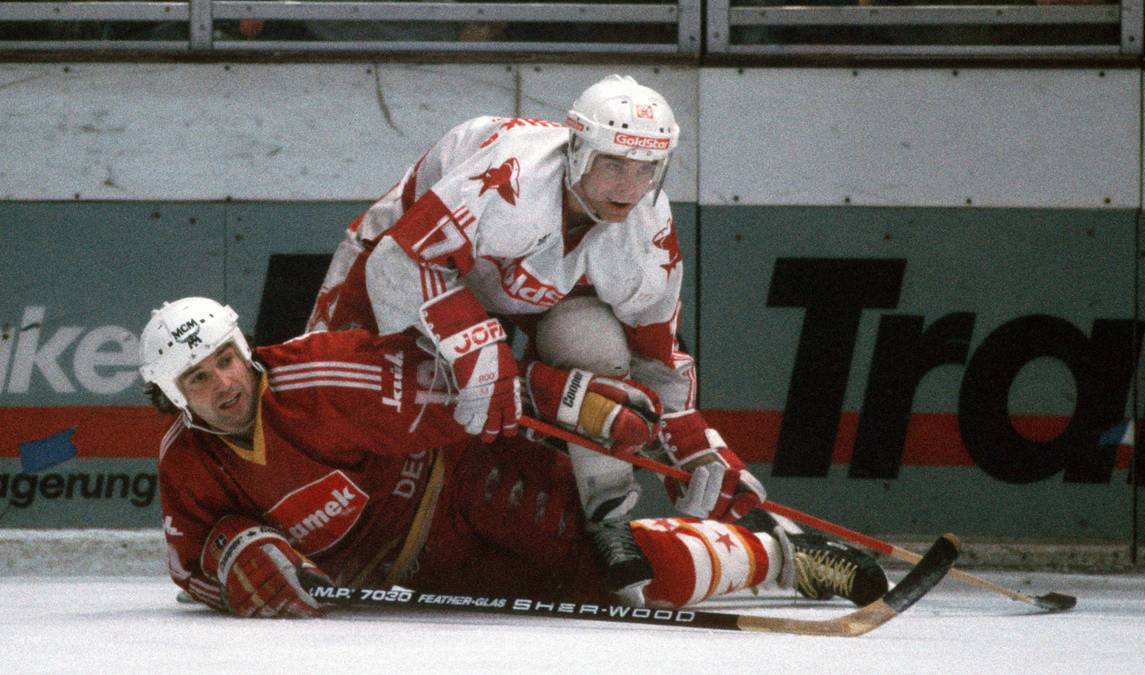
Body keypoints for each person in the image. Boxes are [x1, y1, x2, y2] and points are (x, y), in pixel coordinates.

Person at [140, 296, 887, 618]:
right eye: (197, 379)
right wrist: (234, 568)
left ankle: (784, 557)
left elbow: (465, 390)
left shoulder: (323, 378)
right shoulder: (185, 463)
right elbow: (188, 571)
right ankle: (769, 557)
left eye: (226, 360)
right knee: (607, 598)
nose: (224, 384)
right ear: (173, 397)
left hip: (467, 483)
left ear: (245, 350)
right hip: (421, 577)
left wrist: (565, 399)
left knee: (623, 574)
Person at [305, 73, 766, 525]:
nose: (630, 188)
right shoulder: (511, 177)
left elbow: (655, 347)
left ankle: (605, 515)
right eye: (614, 165)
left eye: (648, 168)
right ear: (577, 151)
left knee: (593, 343)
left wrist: (690, 436)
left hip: (519, 291)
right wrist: (478, 349)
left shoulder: (648, 224)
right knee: (328, 398)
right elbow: (398, 262)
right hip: (403, 261)